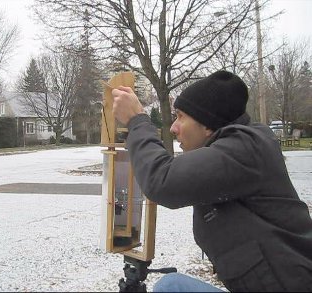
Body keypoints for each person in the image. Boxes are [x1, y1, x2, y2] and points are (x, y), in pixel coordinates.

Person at [111, 70, 312, 292]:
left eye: (180, 116)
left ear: (207, 125)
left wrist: (137, 122)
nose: (173, 128)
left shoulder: (246, 150)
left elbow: (162, 181)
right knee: (172, 285)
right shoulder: (238, 148)